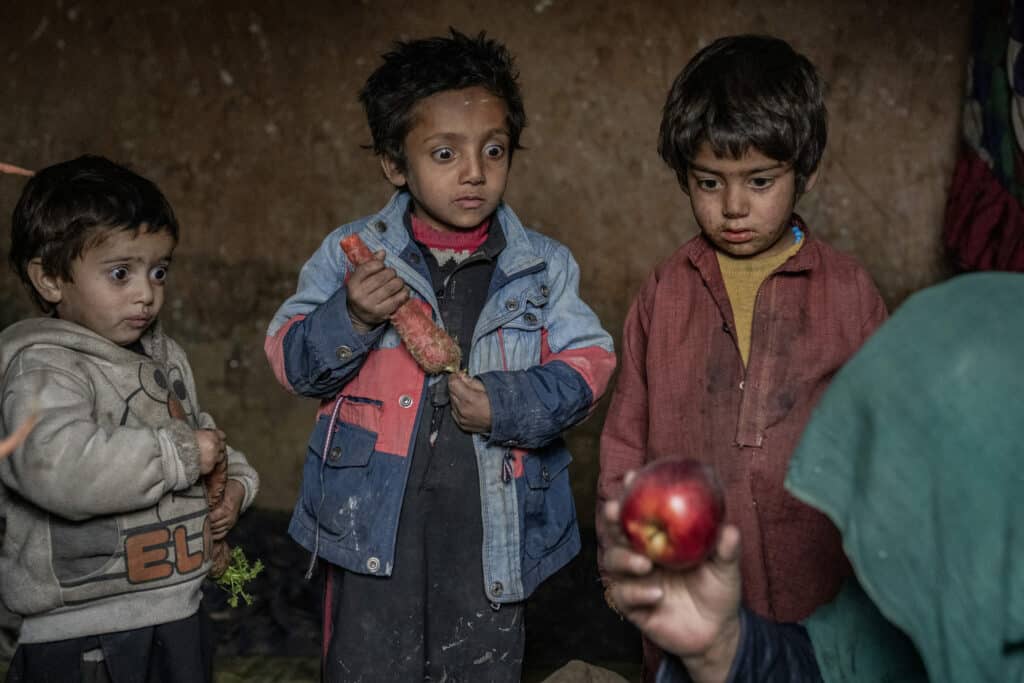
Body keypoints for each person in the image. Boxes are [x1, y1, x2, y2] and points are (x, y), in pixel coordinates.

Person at [264, 29, 616, 682]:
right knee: (369, 666)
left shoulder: (542, 268)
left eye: (493, 149)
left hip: (492, 527)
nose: (474, 172)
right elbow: (291, 362)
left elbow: (591, 362)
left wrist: (509, 403)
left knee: (480, 665)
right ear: (396, 164)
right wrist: (352, 315)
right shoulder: (352, 254)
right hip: (372, 526)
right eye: (445, 152)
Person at [596, 33, 888, 680]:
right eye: (709, 182)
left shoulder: (849, 292)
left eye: (759, 181)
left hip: (820, 586)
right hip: (688, 579)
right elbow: (624, 439)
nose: (733, 207)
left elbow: (888, 440)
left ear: (803, 171)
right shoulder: (664, 291)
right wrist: (621, 554)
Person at [601, 272, 1024, 683]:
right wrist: (722, 650)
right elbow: (834, 663)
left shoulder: (846, 288)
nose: (887, 520)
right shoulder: (905, 601)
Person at [0, 155, 260, 682]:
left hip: (175, 609)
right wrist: (184, 454)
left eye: (157, 271)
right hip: (83, 629)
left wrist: (235, 488)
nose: (146, 293)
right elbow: (57, 468)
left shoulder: (163, 359)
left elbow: (207, 440)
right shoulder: (44, 368)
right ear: (50, 279)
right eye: (120, 273)